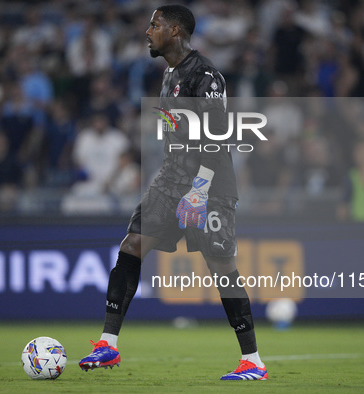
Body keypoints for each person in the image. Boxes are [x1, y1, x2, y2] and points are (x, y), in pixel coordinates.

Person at [78, 5, 267, 381]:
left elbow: (217, 136)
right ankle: (107, 344)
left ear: (176, 30)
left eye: (155, 25)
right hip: (171, 179)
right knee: (131, 245)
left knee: (221, 267)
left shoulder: (206, 75)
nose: (147, 31)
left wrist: (198, 190)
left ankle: (253, 362)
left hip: (209, 185)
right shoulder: (169, 75)